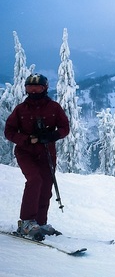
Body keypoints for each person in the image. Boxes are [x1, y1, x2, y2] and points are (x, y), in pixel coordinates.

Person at [4, 73, 69, 239]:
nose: (33, 91)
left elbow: (64, 127)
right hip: (25, 152)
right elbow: (9, 131)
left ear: (44, 88)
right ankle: (26, 222)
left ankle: (39, 222)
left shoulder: (54, 107)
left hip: (46, 152)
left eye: (36, 87)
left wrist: (52, 136)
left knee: (46, 184)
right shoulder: (20, 109)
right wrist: (26, 139)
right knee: (35, 180)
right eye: (29, 87)